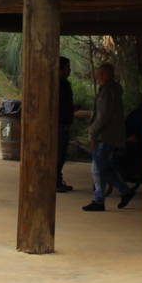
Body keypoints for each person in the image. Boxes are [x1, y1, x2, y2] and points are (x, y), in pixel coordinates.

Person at [83, 62, 134, 211]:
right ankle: (124, 191)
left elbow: (103, 117)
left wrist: (92, 134)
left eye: (99, 74)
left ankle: (99, 199)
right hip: (110, 135)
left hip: (105, 136)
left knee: (99, 168)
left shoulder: (107, 92)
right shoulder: (111, 90)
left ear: (105, 75)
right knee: (104, 167)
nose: (97, 77)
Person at [55, 56, 76, 192]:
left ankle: (57, 179)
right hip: (59, 124)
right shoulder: (60, 84)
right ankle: (55, 181)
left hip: (63, 122)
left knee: (60, 154)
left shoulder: (63, 84)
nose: (69, 71)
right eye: (67, 68)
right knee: (59, 154)